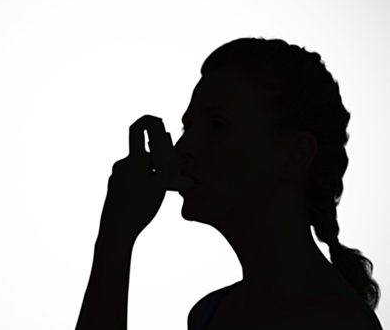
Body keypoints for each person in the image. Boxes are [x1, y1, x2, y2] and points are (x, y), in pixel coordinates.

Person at [74, 37, 383, 330]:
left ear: (295, 155)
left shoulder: (330, 324)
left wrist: (114, 241)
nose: (183, 149)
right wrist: (117, 234)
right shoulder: (211, 313)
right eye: (188, 127)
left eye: (217, 125)